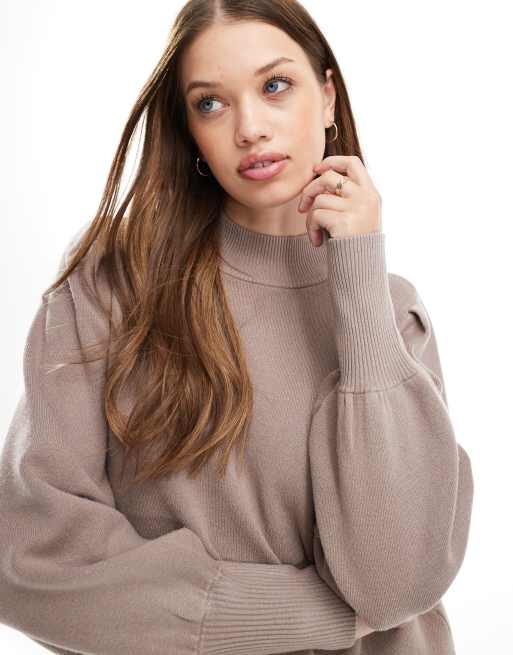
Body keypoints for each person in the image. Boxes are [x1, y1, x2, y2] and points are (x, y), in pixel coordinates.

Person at [0, 1, 473, 654]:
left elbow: (395, 584)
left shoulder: (388, 314)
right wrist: (316, 616)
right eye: (211, 103)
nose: (249, 128)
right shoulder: (114, 280)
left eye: (275, 85)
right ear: (188, 128)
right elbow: (31, 563)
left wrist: (358, 274)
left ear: (328, 96)